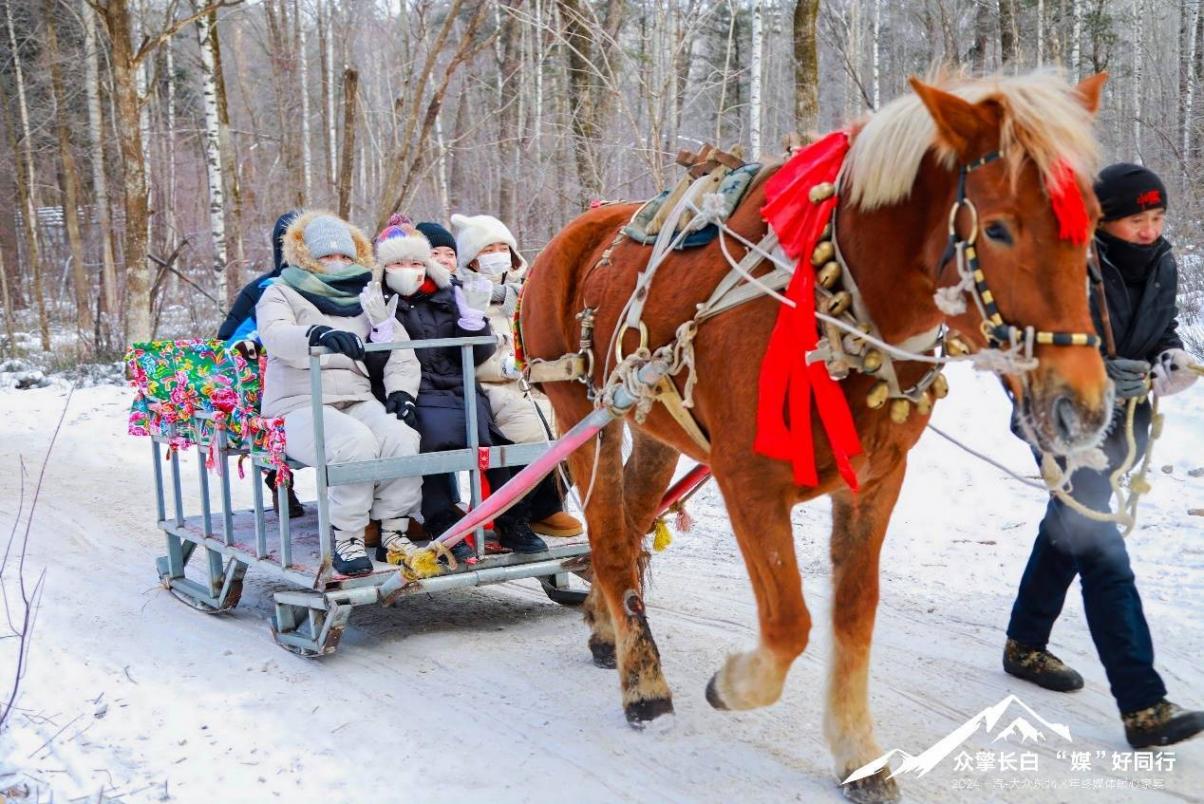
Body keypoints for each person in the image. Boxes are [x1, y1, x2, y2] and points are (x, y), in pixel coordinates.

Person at [1002, 164, 1202, 748]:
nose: (1148, 229)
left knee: (1070, 532)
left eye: (1157, 217)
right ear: (1102, 220)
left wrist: (1171, 360)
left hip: (1123, 427)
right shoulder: (1070, 264)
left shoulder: (1162, 262)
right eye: (1136, 219)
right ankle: (1144, 705)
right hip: (1065, 421)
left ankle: (1025, 644)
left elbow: (1159, 331)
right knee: (1102, 550)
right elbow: (1032, 347)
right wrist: (1093, 377)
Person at [362, 217, 548, 556]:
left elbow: (475, 354)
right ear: (385, 267)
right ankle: (444, 523)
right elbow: (373, 369)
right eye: (399, 263)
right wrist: (380, 334)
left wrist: (473, 323)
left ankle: (512, 521)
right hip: (413, 394)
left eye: (416, 263)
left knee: (491, 442)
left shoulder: (449, 295)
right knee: (432, 443)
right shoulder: (377, 301)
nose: (409, 270)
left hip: (459, 386)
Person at [256, 210, 423, 577]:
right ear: (306, 258)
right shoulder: (281, 293)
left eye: (345, 256)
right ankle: (348, 535)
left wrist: (401, 393)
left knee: (401, 437)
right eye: (327, 256)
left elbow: (399, 349)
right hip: (299, 403)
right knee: (354, 444)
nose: (337, 263)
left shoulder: (366, 296)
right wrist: (315, 335)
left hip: (356, 398)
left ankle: (394, 531)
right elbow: (276, 335)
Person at [449, 213, 584, 538]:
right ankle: (515, 511)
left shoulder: (528, 292)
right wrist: (505, 366)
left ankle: (548, 505)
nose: (498, 255)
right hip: (488, 384)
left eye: (502, 247)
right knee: (530, 427)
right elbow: (461, 352)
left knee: (578, 424)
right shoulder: (462, 297)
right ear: (473, 261)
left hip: (532, 378)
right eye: (488, 249)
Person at [216, 211, 305, 518]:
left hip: (319, 374)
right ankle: (280, 484)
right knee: (263, 407)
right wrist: (256, 346)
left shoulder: (332, 286)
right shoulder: (262, 289)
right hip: (269, 381)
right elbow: (227, 337)